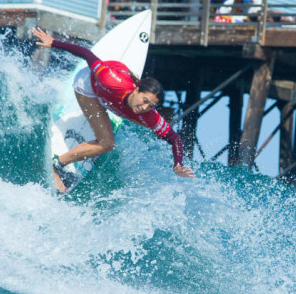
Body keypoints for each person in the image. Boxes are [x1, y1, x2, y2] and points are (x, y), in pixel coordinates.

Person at [32, 28, 195, 192]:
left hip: (114, 89)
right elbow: (88, 55)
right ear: (136, 89)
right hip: (88, 85)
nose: (145, 107)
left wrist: (178, 164)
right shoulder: (111, 80)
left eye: (151, 105)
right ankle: (57, 164)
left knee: (132, 122)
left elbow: (174, 138)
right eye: (144, 100)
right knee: (107, 143)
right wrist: (53, 42)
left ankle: (108, 106)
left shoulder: (149, 116)